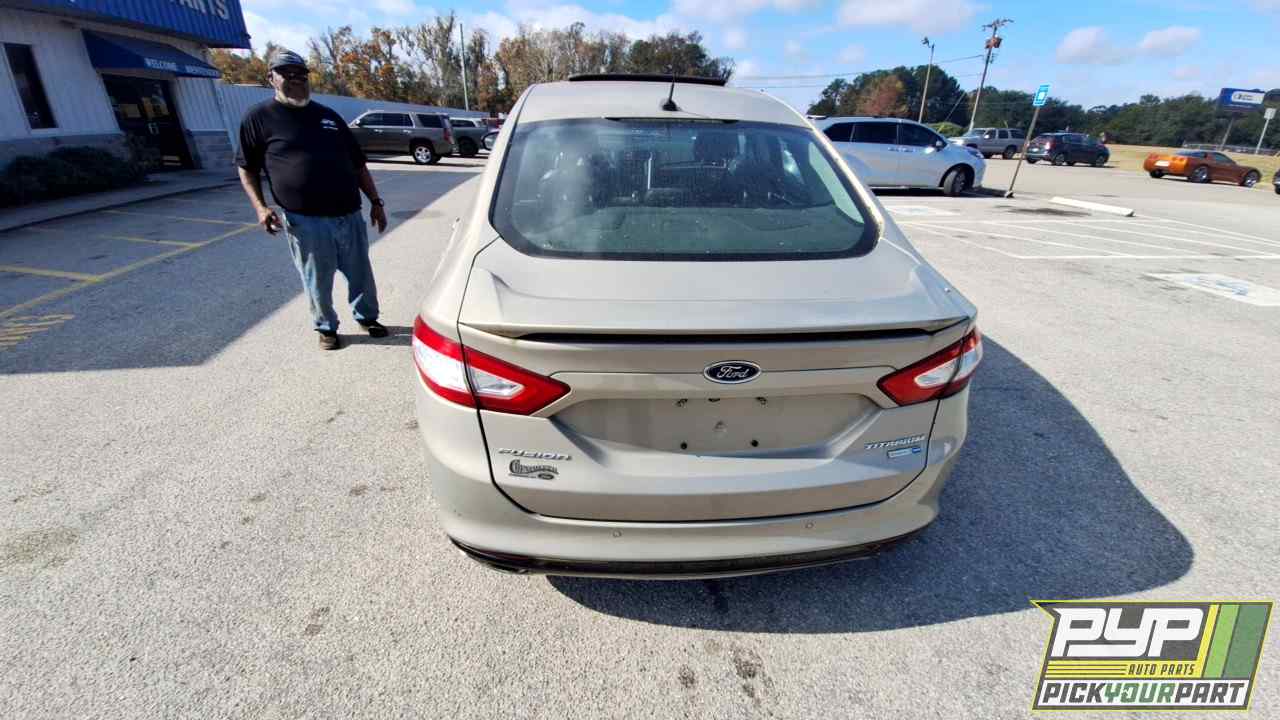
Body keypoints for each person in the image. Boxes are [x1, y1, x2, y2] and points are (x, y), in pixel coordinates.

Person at [235, 49, 389, 350]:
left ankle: (367, 317)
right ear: (271, 78)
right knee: (317, 278)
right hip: (306, 220)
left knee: (360, 273)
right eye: (287, 74)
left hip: (349, 213)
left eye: (301, 75)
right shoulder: (258, 118)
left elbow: (358, 164)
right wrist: (260, 207)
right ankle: (326, 327)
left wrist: (376, 201)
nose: (296, 80)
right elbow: (246, 168)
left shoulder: (328, 116)